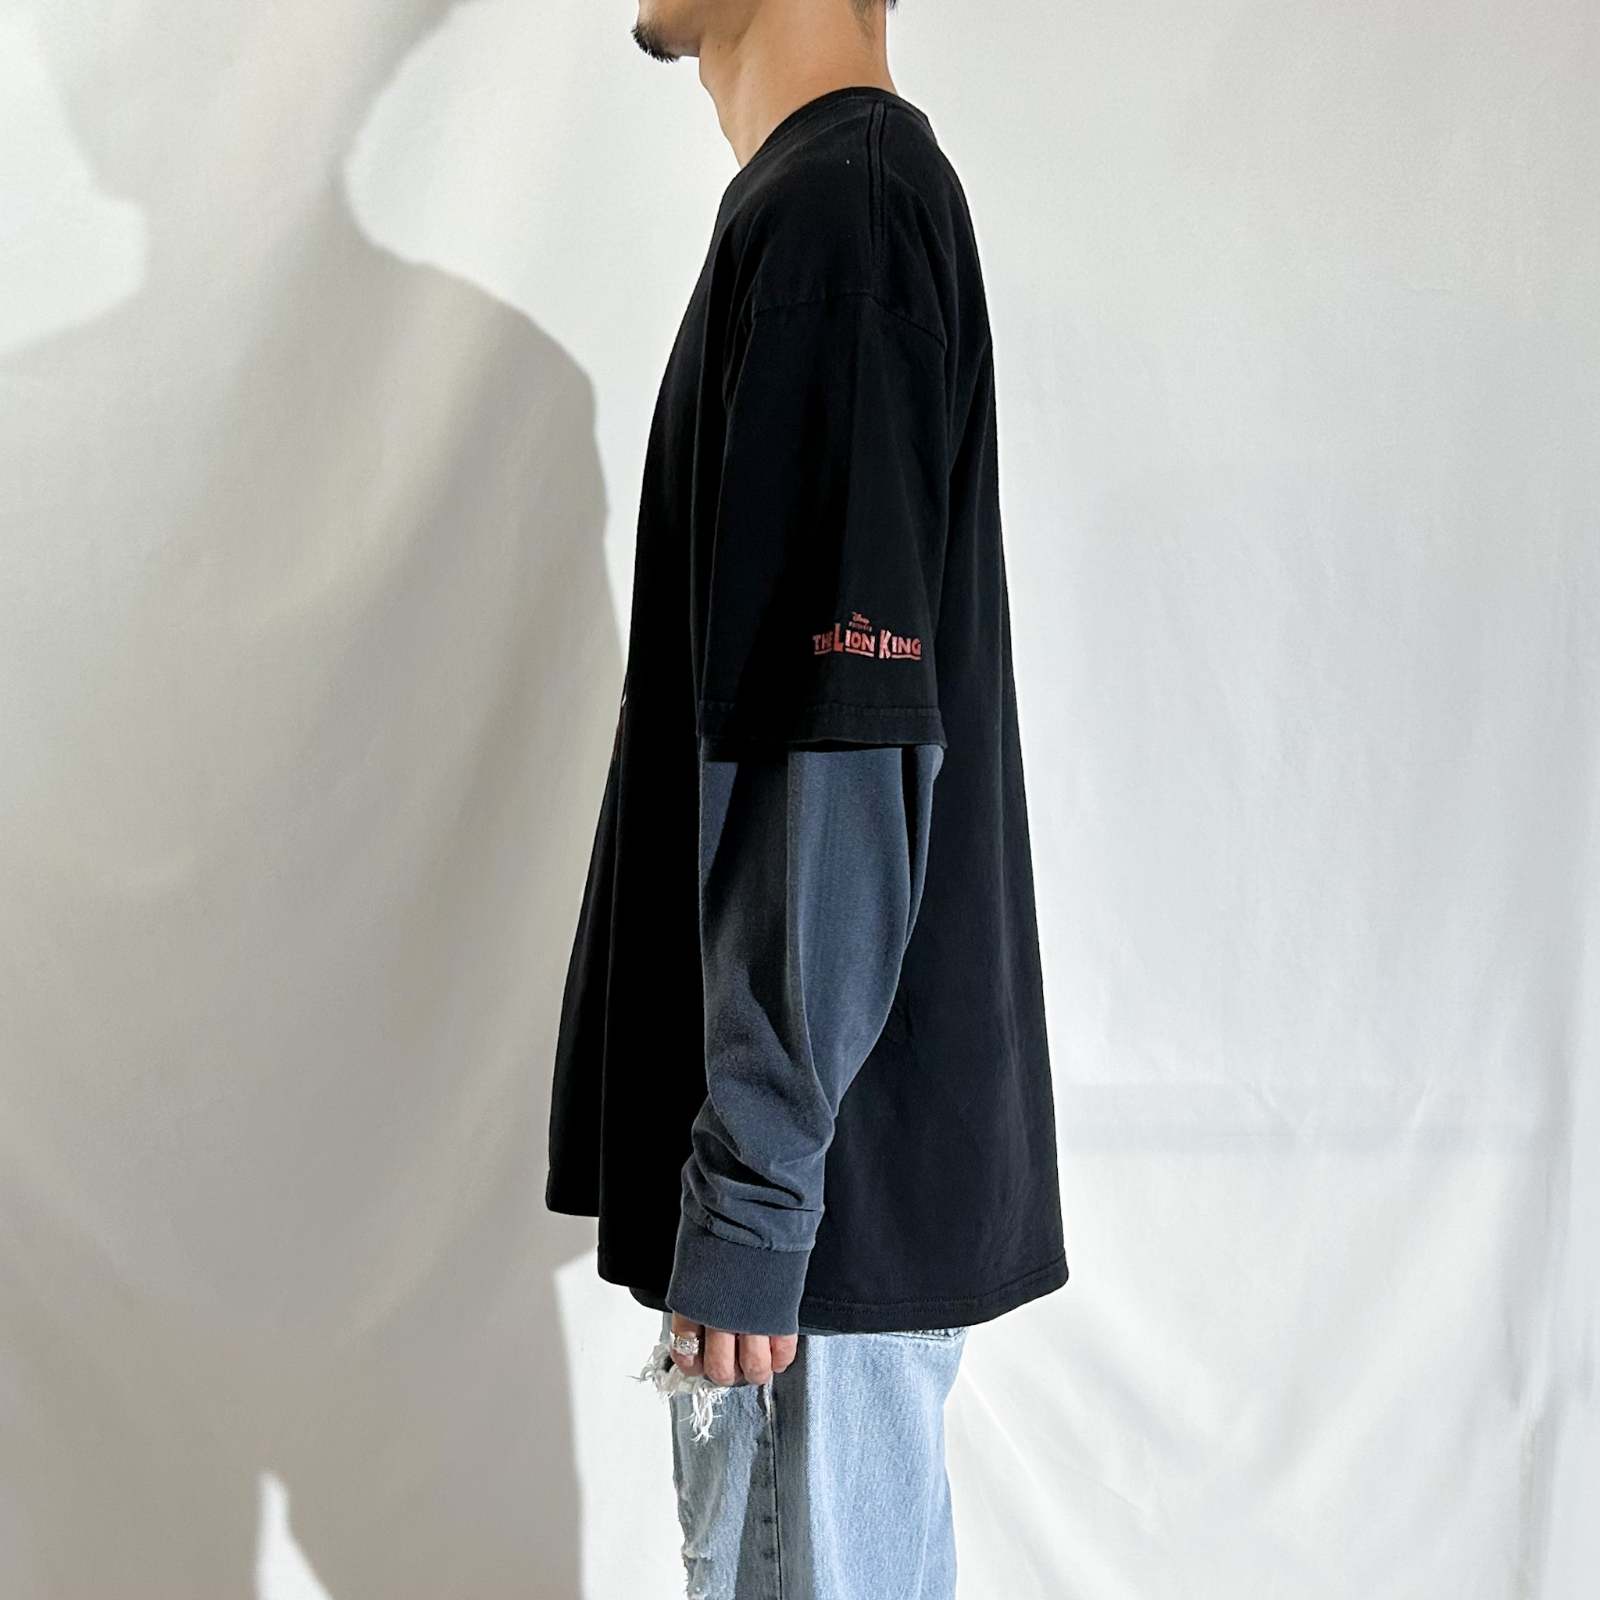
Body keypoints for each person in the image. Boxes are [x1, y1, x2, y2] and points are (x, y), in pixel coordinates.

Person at [545, 2, 1070, 1593]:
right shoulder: (824, 206)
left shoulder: (844, 214)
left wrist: (758, 1195)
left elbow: (843, 745)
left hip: (817, 1197)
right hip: (809, 1180)